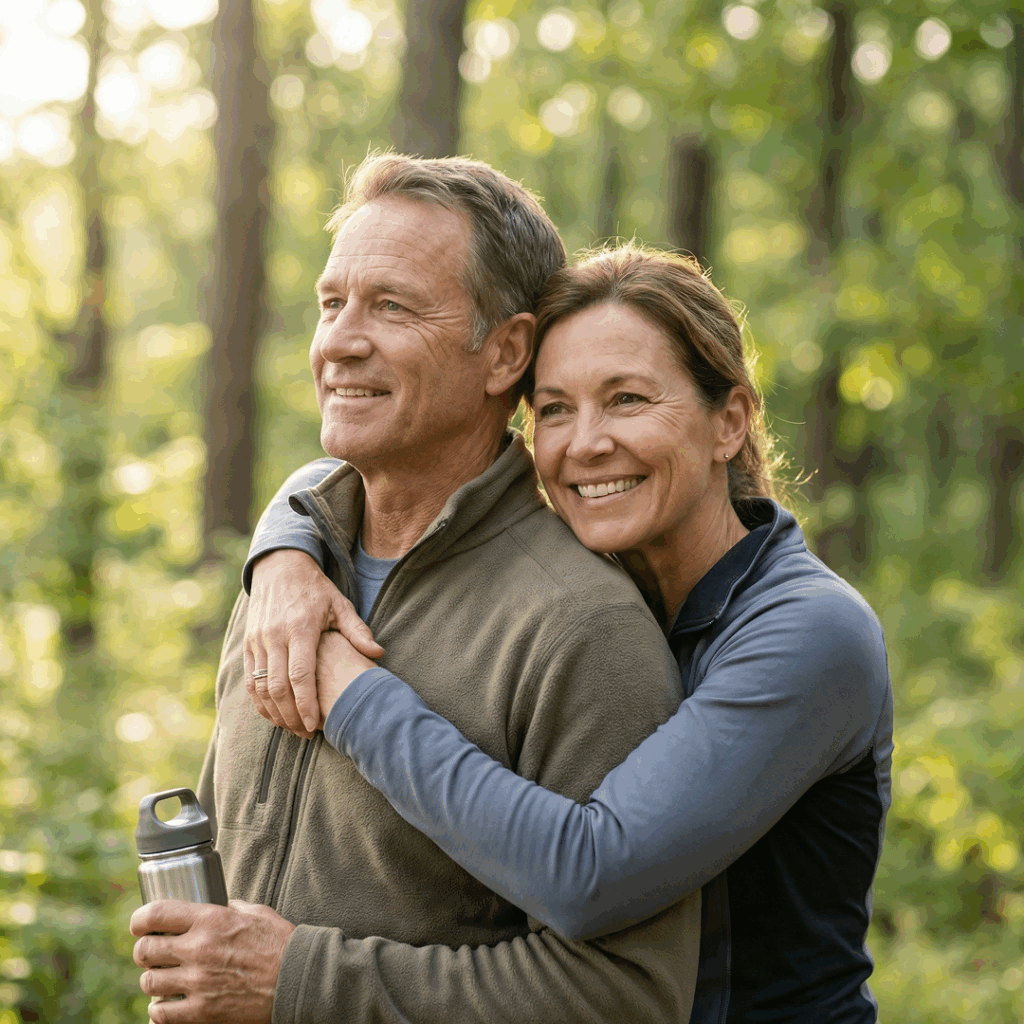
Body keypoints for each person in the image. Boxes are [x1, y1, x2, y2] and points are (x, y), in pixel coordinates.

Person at [244, 243, 894, 1023]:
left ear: (729, 422)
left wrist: (349, 688)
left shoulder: (810, 632)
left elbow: (587, 874)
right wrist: (285, 549)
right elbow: (331, 477)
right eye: (554, 409)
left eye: (626, 400)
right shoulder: (599, 576)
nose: (584, 444)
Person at [130, 156, 703, 1024]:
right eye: (332, 305)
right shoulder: (286, 577)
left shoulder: (582, 629)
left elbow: (626, 996)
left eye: (391, 307)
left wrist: (298, 981)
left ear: (504, 352)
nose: (339, 342)